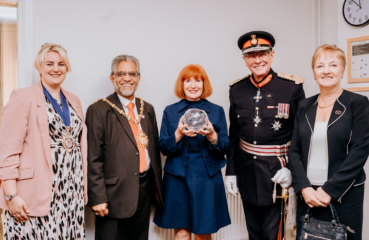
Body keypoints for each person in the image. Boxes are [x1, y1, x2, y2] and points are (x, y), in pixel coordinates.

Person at [0, 43, 88, 239]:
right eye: (49, 63)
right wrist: (11, 196)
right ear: (39, 67)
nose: (56, 69)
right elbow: (7, 152)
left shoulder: (74, 100)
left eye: (61, 64)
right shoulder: (22, 97)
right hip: (35, 193)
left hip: (71, 192)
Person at [225, 31, 306, 240]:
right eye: (252, 56)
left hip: (277, 172)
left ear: (272, 55)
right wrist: (231, 171)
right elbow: (233, 135)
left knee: (273, 235)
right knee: (254, 233)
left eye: (262, 54)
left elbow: (301, 136)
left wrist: (291, 170)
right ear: (245, 60)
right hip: (246, 171)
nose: (258, 60)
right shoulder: (237, 89)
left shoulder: (291, 87)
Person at [288, 44, 369, 240]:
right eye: (320, 66)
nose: (326, 71)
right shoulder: (304, 105)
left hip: (344, 193)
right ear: (314, 72)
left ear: (343, 70)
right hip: (308, 194)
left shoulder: (357, 103)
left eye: (333, 65)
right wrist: (304, 187)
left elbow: (360, 150)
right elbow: (294, 150)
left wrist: (329, 190)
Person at [86, 54, 163, 240]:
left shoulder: (148, 109)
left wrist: (156, 190)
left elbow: (152, 150)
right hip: (113, 196)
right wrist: (98, 198)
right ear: (112, 78)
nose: (127, 79)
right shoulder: (99, 110)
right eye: (121, 74)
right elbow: (92, 157)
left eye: (132, 74)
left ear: (138, 78)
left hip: (144, 191)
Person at [154, 64, 231, 240]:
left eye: (198, 80)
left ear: (204, 85)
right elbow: (163, 148)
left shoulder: (217, 110)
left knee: (204, 232)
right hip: (176, 178)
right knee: (181, 232)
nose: (193, 85)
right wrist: (178, 134)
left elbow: (225, 148)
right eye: (187, 81)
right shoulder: (170, 111)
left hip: (207, 178)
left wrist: (212, 135)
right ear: (182, 85)